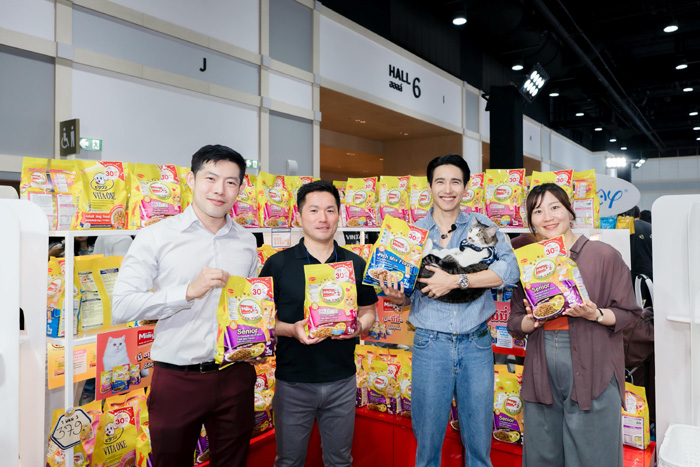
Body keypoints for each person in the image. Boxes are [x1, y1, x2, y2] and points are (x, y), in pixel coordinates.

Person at [112, 144, 259, 467]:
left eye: (231, 182)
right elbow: (122, 306)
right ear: (191, 180)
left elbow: (248, 305)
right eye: (211, 178)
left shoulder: (247, 242)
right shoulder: (156, 237)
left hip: (235, 375)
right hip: (178, 378)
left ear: (240, 189)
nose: (220, 190)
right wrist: (188, 292)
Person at [382, 154, 519, 467]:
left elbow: (510, 270)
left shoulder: (481, 227)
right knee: (428, 444)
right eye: (440, 181)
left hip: (476, 344)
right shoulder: (412, 234)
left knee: (479, 444)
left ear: (466, 187)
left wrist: (456, 280)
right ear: (430, 187)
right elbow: (404, 295)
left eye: (455, 181)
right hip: (430, 345)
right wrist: (397, 296)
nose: (448, 189)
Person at [507, 183, 641, 466]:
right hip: (542, 368)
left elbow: (629, 314)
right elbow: (515, 323)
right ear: (530, 221)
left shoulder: (603, 255)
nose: (548, 217)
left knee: (594, 455)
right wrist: (531, 320)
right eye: (538, 211)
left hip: (594, 367)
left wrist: (595, 314)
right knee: (543, 455)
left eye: (555, 207)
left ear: (570, 211)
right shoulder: (530, 262)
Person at [260, 180, 377, 467]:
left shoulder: (355, 263)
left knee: (340, 461)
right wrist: (291, 330)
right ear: (298, 216)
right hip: (293, 382)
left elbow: (369, 312)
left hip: (342, 381)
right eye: (313, 210)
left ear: (339, 215)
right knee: (289, 461)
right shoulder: (278, 264)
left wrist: (358, 327)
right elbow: (263, 322)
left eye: (330, 210)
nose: (322, 218)